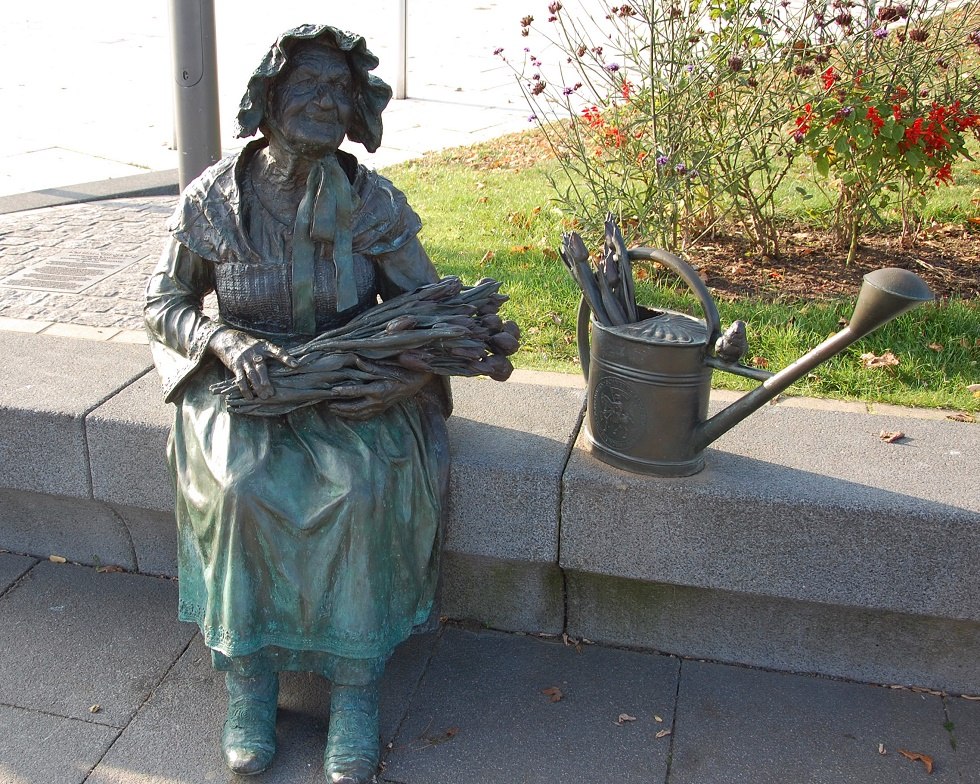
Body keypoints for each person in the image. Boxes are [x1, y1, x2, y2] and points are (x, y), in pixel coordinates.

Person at [144, 24, 450, 783]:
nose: (325, 100)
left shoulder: (373, 201)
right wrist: (220, 340)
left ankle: (355, 688)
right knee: (240, 489)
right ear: (270, 96)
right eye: (308, 84)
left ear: (357, 111)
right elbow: (164, 300)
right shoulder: (214, 198)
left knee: (360, 490)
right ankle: (249, 682)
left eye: (340, 90)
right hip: (243, 382)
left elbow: (427, 303)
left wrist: (395, 371)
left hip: (351, 379)